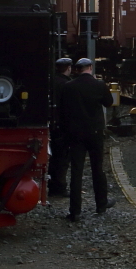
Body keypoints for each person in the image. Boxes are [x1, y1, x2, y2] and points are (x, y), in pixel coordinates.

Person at [57, 57, 115, 220]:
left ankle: (75, 211)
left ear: (76, 69)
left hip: (75, 134)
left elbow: (62, 111)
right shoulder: (98, 84)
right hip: (95, 133)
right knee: (98, 169)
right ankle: (101, 205)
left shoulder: (68, 87)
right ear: (90, 67)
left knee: (76, 171)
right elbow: (109, 103)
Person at [47, 57, 74, 197]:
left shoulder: (51, 82)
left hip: (52, 123)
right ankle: (60, 187)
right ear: (68, 68)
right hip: (63, 126)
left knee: (53, 158)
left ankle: (52, 186)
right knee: (62, 159)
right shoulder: (67, 84)